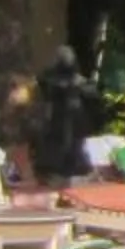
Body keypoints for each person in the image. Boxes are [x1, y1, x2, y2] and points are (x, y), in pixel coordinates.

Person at [34, 47, 98, 183]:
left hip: (73, 116)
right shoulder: (50, 77)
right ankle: (53, 167)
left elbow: (90, 91)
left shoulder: (76, 80)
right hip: (59, 115)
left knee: (75, 143)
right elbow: (43, 84)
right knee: (57, 141)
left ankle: (74, 165)